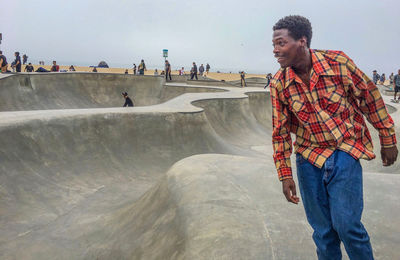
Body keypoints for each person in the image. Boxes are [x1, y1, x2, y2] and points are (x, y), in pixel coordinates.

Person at [270, 15, 397, 260]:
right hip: (309, 159)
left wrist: (388, 137)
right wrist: (285, 174)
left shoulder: (337, 63)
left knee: (347, 226)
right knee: (324, 233)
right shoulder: (280, 84)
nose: (275, 50)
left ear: (302, 42)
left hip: (344, 151)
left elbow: (370, 98)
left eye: (281, 43)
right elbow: (280, 132)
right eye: (273, 45)